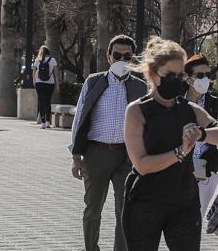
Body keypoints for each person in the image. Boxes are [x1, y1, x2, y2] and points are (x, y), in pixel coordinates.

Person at [122, 36, 218, 250]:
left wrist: (201, 135)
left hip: (184, 201)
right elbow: (142, 165)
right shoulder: (137, 111)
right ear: (153, 74)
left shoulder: (188, 109)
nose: (177, 80)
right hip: (145, 201)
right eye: (170, 75)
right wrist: (181, 152)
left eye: (181, 75)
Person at [70, 34, 147, 251]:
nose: (121, 59)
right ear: (108, 56)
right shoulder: (94, 82)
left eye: (127, 56)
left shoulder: (141, 87)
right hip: (96, 154)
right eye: (117, 55)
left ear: (133, 59)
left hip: (126, 157)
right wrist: (76, 157)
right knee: (92, 210)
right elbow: (79, 118)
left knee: (125, 211)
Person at [183, 54, 218, 219]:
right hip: (177, 166)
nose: (206, 79)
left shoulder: (215, 104)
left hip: (205, 169)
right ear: (188, 79)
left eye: (209, 75)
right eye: (200, 75)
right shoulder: (175, 102)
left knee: (194, 219)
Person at [33, 45, 60, 129]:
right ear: (49, 52)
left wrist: (34, 82)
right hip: (50, 83)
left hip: (39, 83)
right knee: (48, 102)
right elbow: (56, 73)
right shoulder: (53, 60)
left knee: (41, 102)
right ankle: (48, 122)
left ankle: (43, 123)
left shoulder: (37, 60)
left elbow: (33, 73)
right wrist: (57, 85)